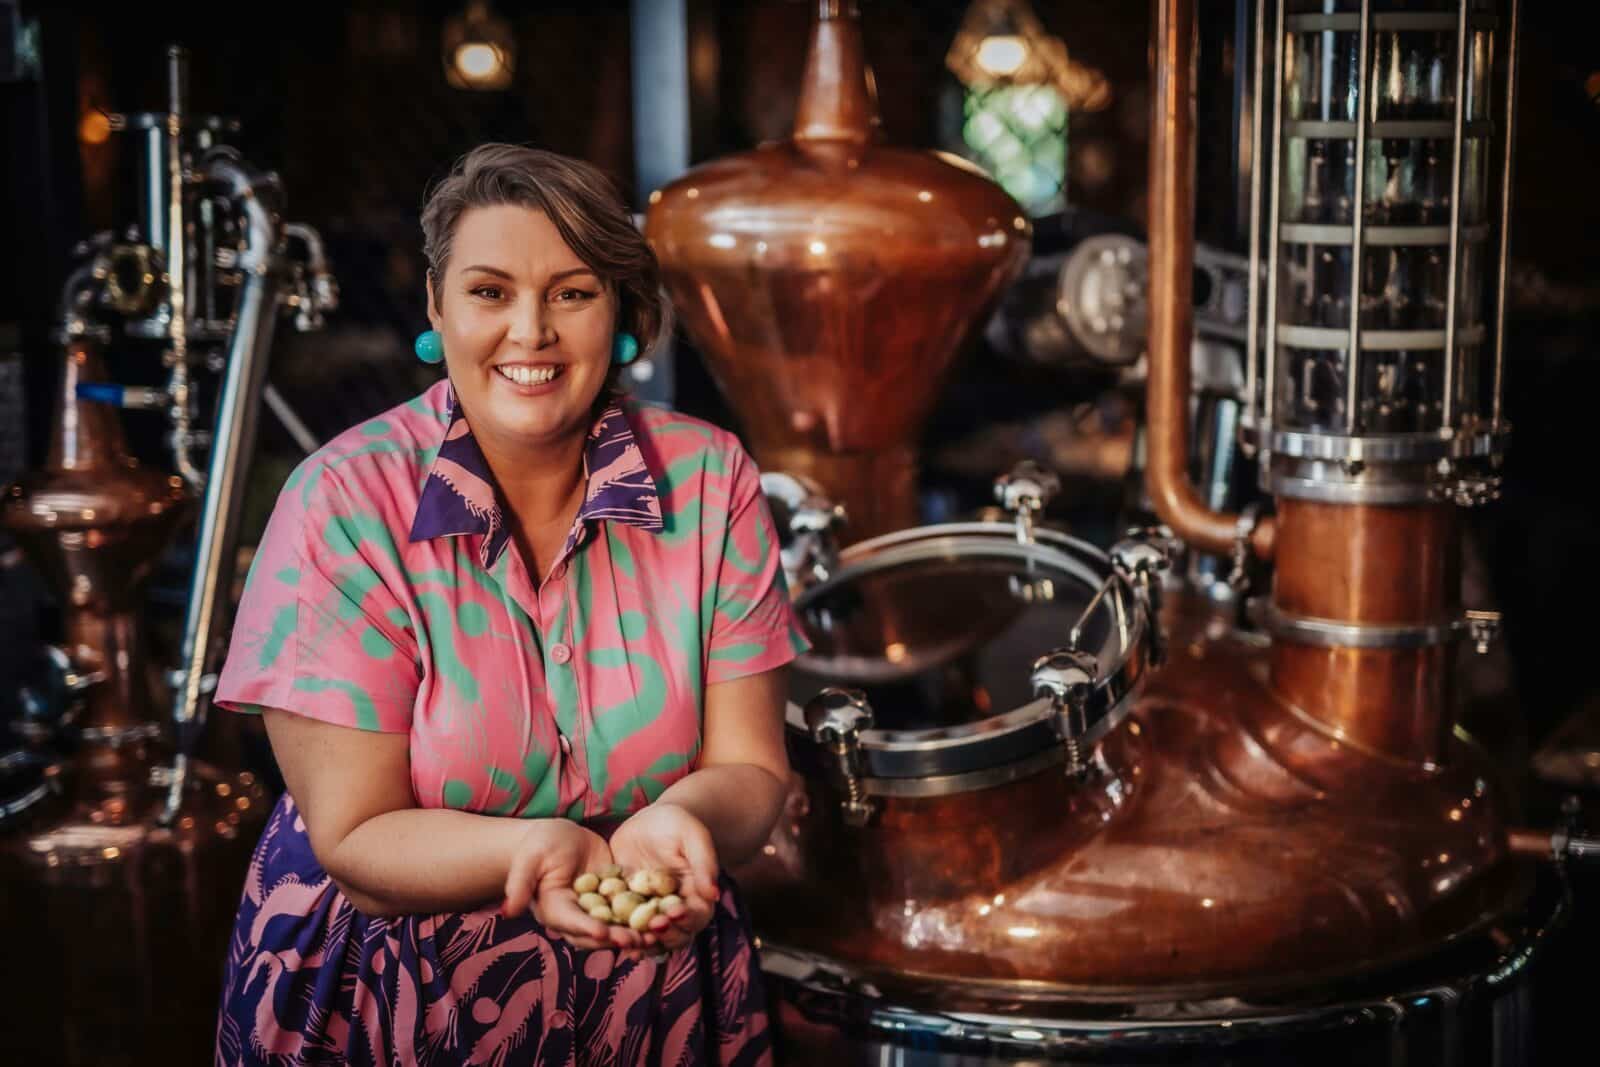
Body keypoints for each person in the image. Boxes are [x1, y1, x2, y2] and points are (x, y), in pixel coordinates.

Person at [212, 143, 808, 1065]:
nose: (530, 331)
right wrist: (539, 853)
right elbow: (357, 839)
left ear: (619, 311)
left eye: (571, 292)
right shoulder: (343, 501)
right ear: (437, 308)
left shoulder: (710, 478)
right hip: (390, 990)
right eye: (490, 291)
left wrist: (677, 823)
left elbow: (751, 767)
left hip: (653, 981)